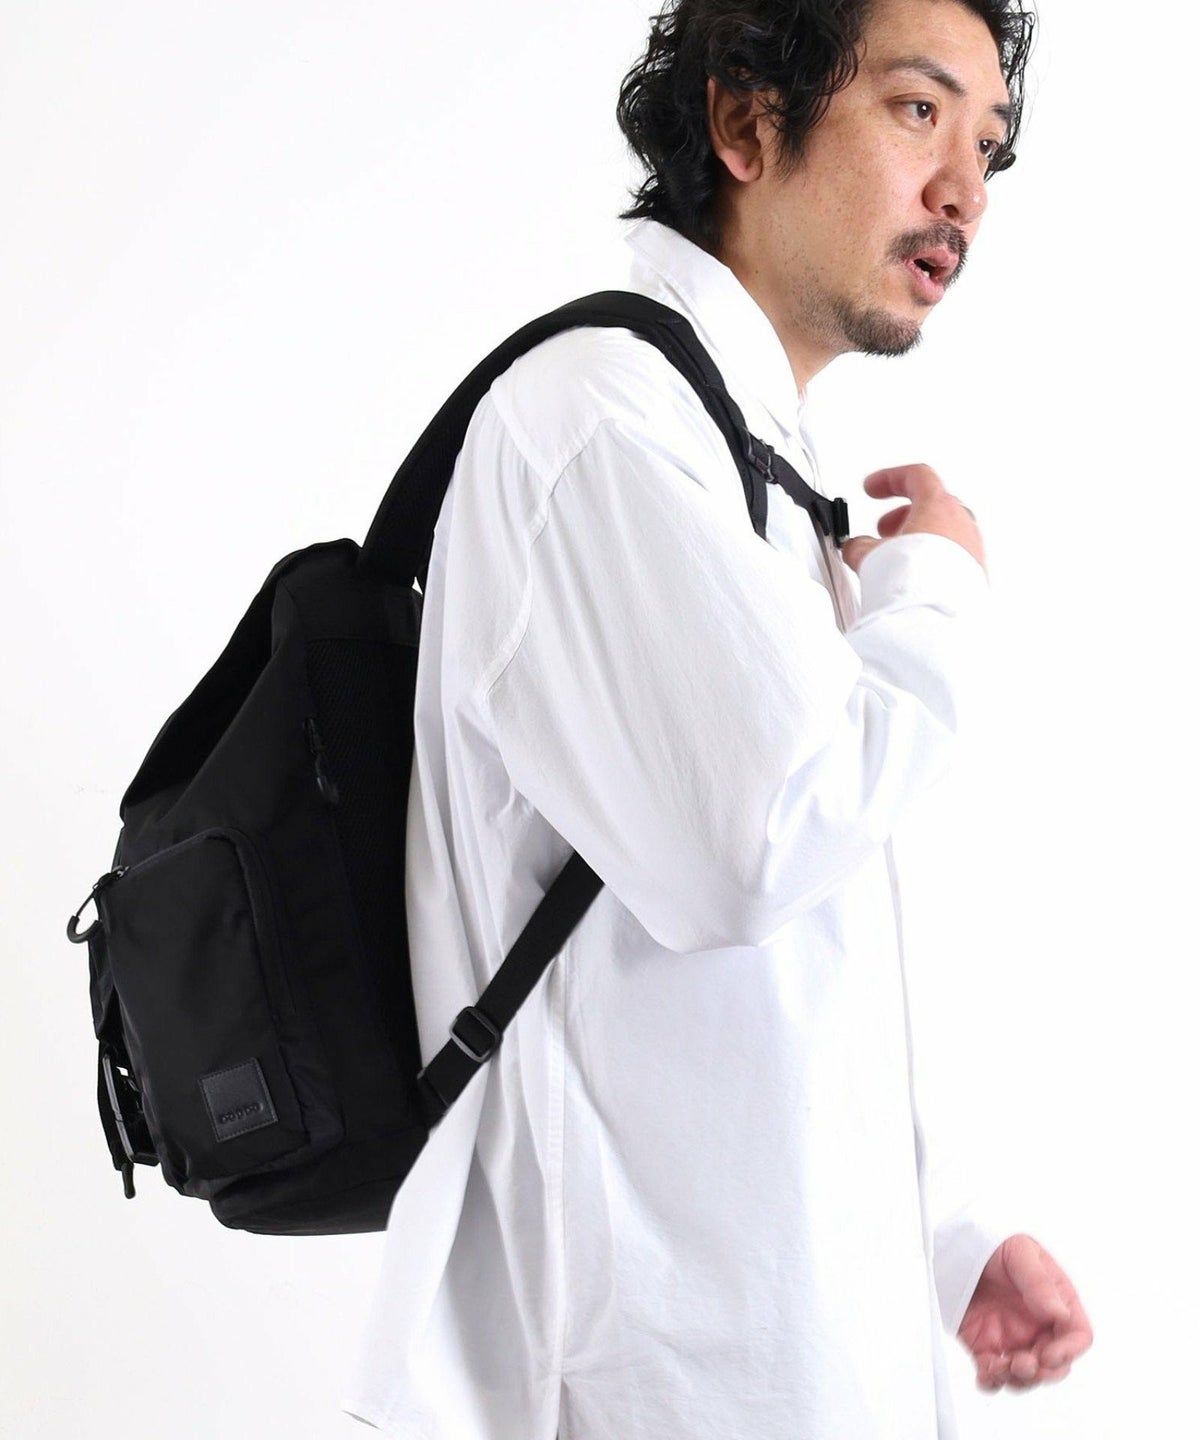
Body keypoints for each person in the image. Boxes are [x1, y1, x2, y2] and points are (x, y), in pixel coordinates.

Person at [344, 1, 1093, 1435]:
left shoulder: (742, 458)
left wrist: (945, 1234)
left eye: (988, 145)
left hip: (784, 1356)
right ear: (748, 119)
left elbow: (810, 962)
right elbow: (758, 842)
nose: (966, 191)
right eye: (919, 112)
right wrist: (938, 591)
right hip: (659, 1379)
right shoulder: (602, 425)